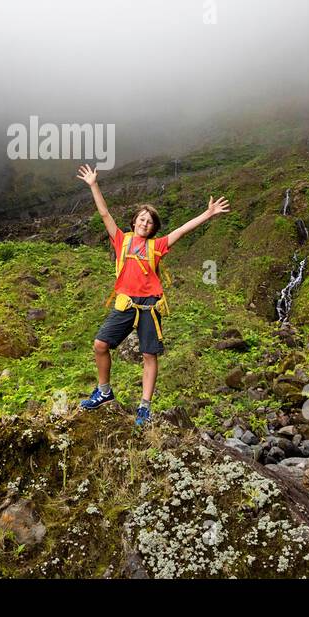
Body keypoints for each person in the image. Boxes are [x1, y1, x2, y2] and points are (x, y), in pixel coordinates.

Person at [75, 163, 230, 426]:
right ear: (134, 221)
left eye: (150, 221)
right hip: (124, 303)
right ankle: (104, 392)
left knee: (149, 355)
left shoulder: (157, 246)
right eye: (141, 219)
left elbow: (181, 230)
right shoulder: (121, 240)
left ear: (153, 228)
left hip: (149, 305)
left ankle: (144, 407)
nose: (145, 223)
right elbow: (104, 214)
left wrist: (208, 213)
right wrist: (93, 185)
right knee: (100, 345)